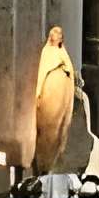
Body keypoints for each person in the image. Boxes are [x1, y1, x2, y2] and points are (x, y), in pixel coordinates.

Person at [31, 25, 79, 172]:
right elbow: (41, 74)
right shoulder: (47, 52)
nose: (56, 36)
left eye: (58, 34)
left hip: (61, 97)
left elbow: (71, 76)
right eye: (54, 33)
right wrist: (38, 92)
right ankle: (43, 164)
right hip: (50, 97)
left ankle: (52, 162)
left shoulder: (63, 54)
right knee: (48, 129)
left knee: (58, 130)